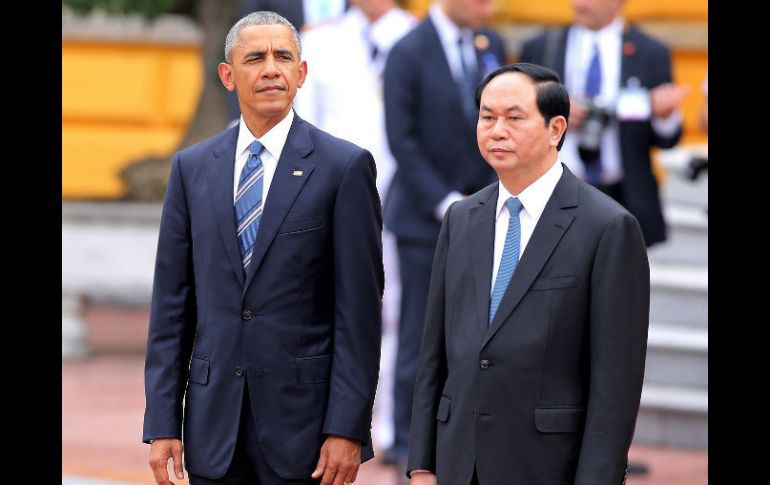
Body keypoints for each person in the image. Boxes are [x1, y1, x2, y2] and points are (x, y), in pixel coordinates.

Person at [142, 11, 384, 485]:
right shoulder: (193, 168)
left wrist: (347, 427)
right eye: (255, 58)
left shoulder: (343, 167)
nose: (271, 69)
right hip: (213, 431)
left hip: (306, 434)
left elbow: (358, 315)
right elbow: (171, 307)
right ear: (228, 76)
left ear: (301, 73)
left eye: (283, 57)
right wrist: (162, 423)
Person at [407, 63, 650, 485]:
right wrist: (422, 464)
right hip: (456, 462)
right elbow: (434, 353)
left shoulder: (607, 227)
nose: (496, 130)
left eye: (514, 118)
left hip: (545, 465)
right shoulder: (461, 218)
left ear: (556, 129)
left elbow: (616, 383)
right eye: (487, 117)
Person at [382, 0, 506, 469]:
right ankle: (404, 437)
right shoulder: (408, 50)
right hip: (422, 218)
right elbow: (401, 138)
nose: (489, 7)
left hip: (485, 214)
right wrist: (444, 201)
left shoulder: (489, 45)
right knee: (418, 331)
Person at [293, 0, 416, 453]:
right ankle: (327, 418)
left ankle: (386, 423)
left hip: (402, 200)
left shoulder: (415, 36)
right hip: (332, 201)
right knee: (328, 309)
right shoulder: (320, 40)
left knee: (396, 311)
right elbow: (304, 123)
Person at [519, 0, 689, 247]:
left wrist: (665, 116)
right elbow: (516, 119)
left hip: (622, 195)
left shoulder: (650, 52)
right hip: (551, 193)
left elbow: (667, 139)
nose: (579, 4)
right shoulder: (541, 47)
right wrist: (552, 109)